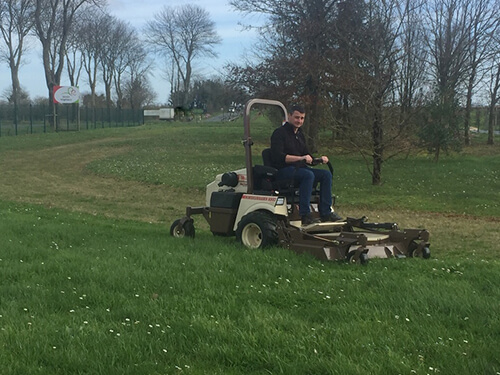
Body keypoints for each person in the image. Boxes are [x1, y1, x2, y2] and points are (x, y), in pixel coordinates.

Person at [270, 104, 342, 225]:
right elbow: (279, 157)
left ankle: (326, 212)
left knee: (326, 175)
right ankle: (305, 214)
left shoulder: (300, 135)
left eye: (302, 118)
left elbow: (306, 155)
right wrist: (301, 158)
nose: (299, 121)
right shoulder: (279, 133)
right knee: (308, 175)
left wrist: (318, 159)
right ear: (289, 116)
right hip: (283, 170)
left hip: (299, 169)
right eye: (297, 117)